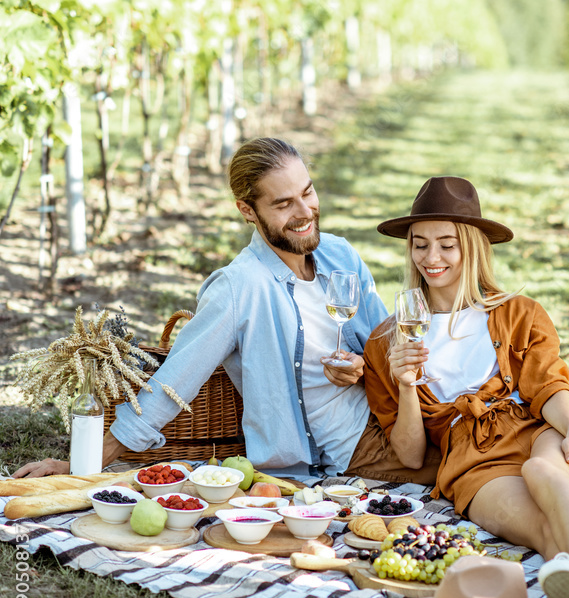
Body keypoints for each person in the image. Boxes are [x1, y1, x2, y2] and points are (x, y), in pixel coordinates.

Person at [14, 138, 440, 484]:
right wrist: (83, 461)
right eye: (283, 203)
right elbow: (172, 383)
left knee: (493, 438)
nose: (305, 212)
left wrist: (363, 365)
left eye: (307, 192)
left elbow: (389, 344)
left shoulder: (339, 255)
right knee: (469, 468)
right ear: (247, 211)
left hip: (397, 412)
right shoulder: (239, 287)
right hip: (355, 446)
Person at [363, 175, 569, 598]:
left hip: (539, 429)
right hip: (474, 462)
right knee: (543, 532)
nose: (432, 258)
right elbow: (408, 454)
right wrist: (406, 383)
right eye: (420, 244)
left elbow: (548, 387)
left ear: (473, 247)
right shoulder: (386, 341)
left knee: (542, 469)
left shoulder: (517, 312)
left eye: (448, 244)